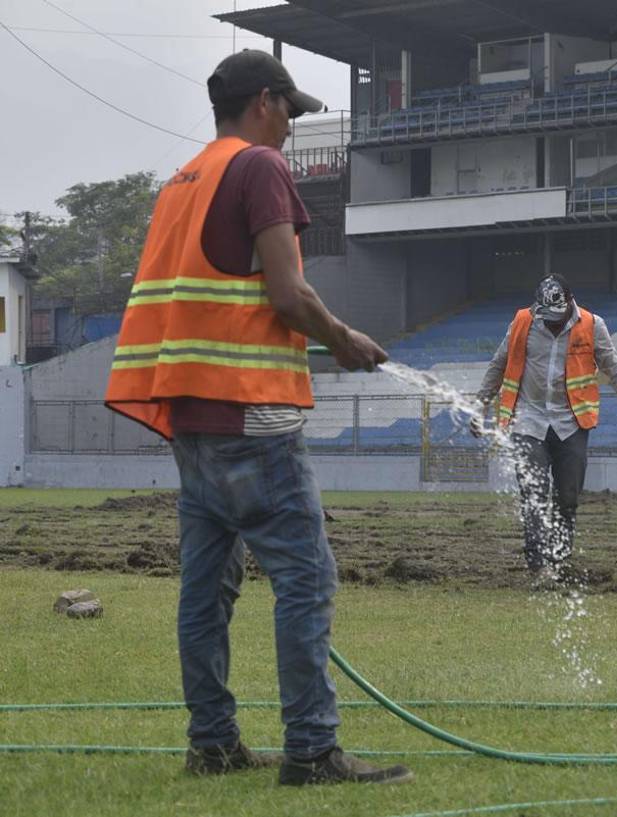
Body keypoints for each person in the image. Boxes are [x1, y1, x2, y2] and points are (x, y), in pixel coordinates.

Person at [104, 50, 409, 786]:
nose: (292, 131)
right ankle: (312, 748)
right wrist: (344, 338)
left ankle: (212, 741)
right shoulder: (260, 168)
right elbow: (287, 293)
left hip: (190, 416)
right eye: (291, 113)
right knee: (305, 578)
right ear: (265, 103)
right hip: (252, 412)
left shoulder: (184, 181)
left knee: (205, 588)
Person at [474, 274, 617, 578]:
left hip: (571, 423)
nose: (552, 324)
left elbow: (613, 366)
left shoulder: (592, 325)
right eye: (547, 318)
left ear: (570, 303)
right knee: (534, 493)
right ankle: (537, 564)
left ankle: (559, 559)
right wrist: (481, 404)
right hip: (527, 421)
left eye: (557, 318)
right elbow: (499, 363)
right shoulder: (522, 322)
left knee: (568, 497)